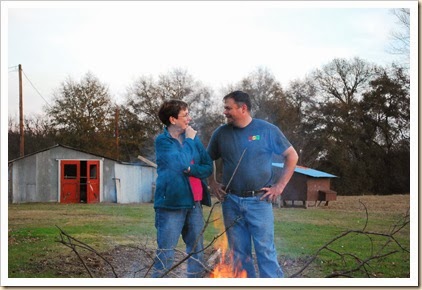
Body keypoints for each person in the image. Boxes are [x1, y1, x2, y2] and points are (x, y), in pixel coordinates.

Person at [207, 90, 298, 278]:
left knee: (265, 250)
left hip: (259, 201)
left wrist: (279, 187)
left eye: (228, 108)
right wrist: (213, 183)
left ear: (243, 108)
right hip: (230, 200)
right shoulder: (221, 133)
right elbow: (207, 159)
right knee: (239, 253)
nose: (224, 112)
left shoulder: (266, 130)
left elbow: (292, 155)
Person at [152, 99, 213, 278]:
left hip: (195, 203)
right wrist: (190, 143)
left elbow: (208, 166)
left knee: (196, 252)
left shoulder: (192, 138)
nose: (189, 118)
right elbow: (181, 162)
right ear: (172, 120)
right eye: (185, 115)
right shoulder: (163, 141)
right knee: (166, 253)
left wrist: (191, 170)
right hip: (171, 205)